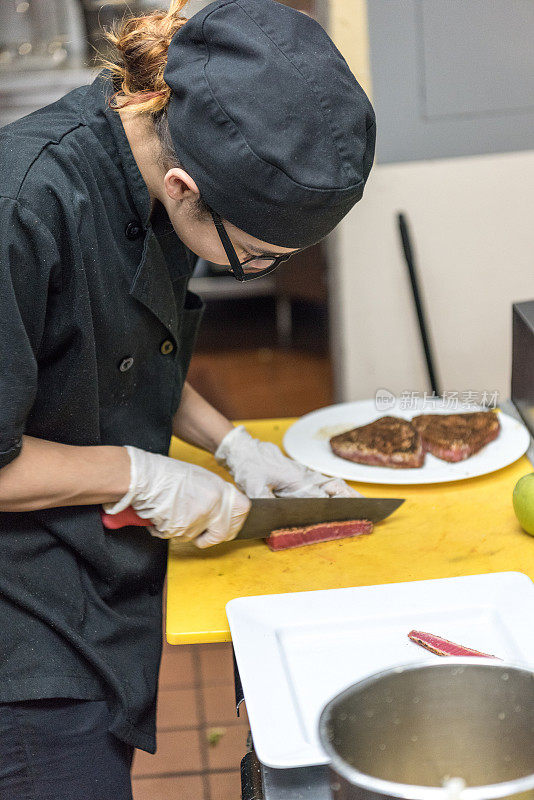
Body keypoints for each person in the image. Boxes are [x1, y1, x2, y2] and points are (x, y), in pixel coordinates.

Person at [0, 0, 375, 796]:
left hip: (97, 585)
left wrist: (231, 443)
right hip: (19, 628)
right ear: (184, 187)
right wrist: (137, 474)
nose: (260, 269)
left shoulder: (159, 159)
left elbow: (122, 351)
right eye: (259, 258)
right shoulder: (21, 209)